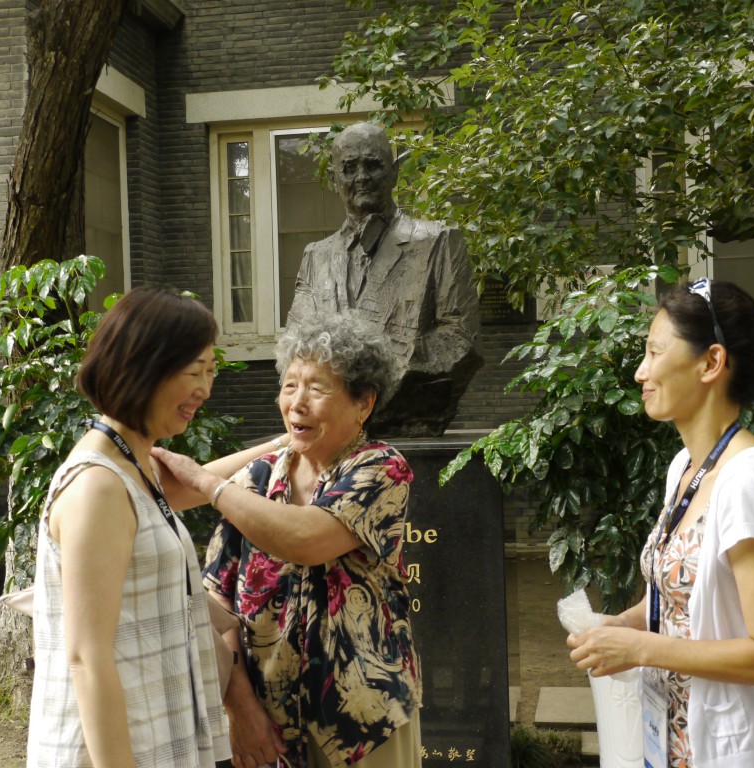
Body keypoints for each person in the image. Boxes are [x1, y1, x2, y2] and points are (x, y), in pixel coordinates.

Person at [566, 278, 754, 767]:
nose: (642, 372)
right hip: (675, 746)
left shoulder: (747, 482)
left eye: (654, 352)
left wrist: (642, 648)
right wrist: (618, 626)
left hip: (739, 752)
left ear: (711, 362)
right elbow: (677, 597)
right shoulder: (685, 466)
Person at [27, 288, 290, 768]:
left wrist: (280, 444)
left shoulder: (131, 462)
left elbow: (193, 483)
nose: (205, 390)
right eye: (194, 372)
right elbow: (86, 658)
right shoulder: (98, 488)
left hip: (153, 734)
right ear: (144, 366)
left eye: (210, 372)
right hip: (110, 750)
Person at [153, 310, 423, 768]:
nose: (297, 401)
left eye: (317, 389)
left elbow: (303, 538)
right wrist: (241, 709)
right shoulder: (261, 477)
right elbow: (214, 601)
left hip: (363, 721)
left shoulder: (380, 468)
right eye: (290, 386)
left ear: (364, 404)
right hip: (268, 723)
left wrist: (210, 483)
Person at [285, 121, 482, 437]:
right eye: (349, 168)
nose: (361, 177)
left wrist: (376, 373)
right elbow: (298, 345)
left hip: (409, 419)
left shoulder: (439, 241)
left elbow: (460, 338)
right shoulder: (315, 256)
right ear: (334, 178)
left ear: (394, 172)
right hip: (331, 436)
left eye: (373, 165)